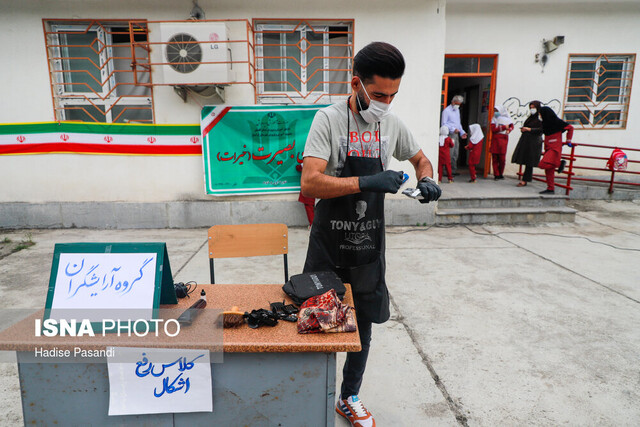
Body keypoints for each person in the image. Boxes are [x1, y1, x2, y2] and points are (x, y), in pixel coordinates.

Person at [300, 41, 441, 426]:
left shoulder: (391, 124)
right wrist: (367, 180)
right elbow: (311, 182)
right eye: (379, 94)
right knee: (319, 321)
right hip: (329, 244)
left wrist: (427, 178)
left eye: (393, 95)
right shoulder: (327, 120)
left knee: (361, 325)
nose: (385, 102)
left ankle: (349, 396)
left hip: (367, 244)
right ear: (356, 83)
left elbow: (421, 158)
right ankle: (311, 395)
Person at [537, 106, 574, 194]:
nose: (540, 116)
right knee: (549, 169)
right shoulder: (545, 123)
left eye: (540, 114)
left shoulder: (557, 122)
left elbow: (570, 128)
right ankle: (550, 188)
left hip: (555, 147)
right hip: (547, 146)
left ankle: (560, 163)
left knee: (542, 164)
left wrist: (568, 140)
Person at [511, 101, 543, 187]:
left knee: (529, 161)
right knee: (525, 159)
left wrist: (529, 129)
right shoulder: (530, 118)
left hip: (534, 142)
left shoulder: (540, 118)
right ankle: (526, 178)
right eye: (531, 108)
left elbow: (541, 130)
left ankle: (525, 180)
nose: (532, 110)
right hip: (526, 140)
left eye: (533, 108)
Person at [441, 95, 467, 176]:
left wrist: (462, 132)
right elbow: (444, 124)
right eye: (457, 103)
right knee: (449, 153)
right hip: (449, 134)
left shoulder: (457, 110)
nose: (458, 105)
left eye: (459, 104)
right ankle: (446, 171)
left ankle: (453, 170)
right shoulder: (446, 111)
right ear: (453, 102)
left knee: (455, 153)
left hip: (456, 134)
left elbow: (458, 123)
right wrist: (452, 129)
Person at [490, 105, 514, 180]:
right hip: (496, 139)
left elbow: (511, 126)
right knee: (495, 158)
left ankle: (501, 173)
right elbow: (493, 129)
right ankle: (496, 174)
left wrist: (509, 130)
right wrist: (504, 127)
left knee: (502, 158)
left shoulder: (508, 119)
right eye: (494, 110)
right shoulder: (494, 119)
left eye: (497, 110)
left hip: (503, 139)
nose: (495, 112)